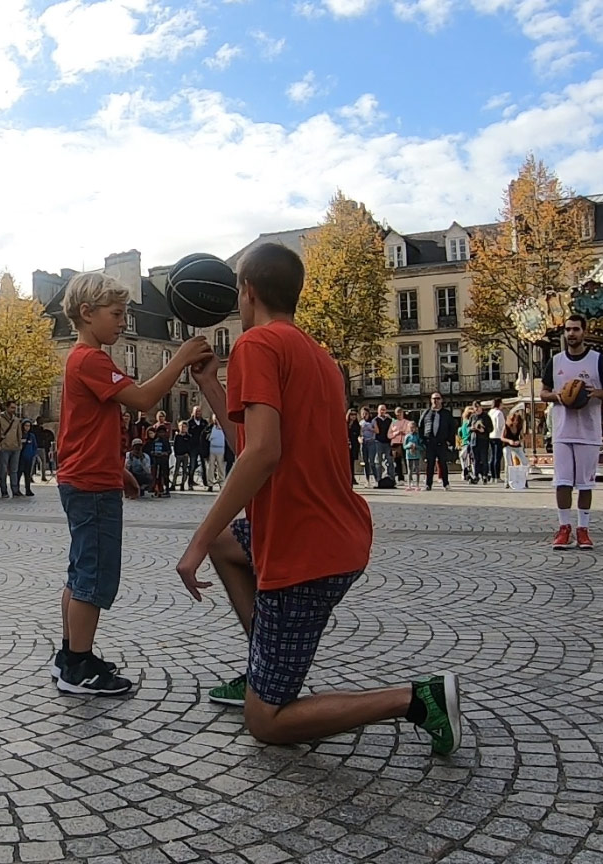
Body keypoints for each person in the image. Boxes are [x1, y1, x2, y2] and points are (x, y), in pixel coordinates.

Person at [176, 243, 460, 753]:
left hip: (303, 548)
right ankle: (261, 668)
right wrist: (211, 387)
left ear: (248, 291)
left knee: (266, 722)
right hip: (330, 532)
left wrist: (193, 542)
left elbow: (260, 453)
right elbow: (257, 444)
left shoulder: (256, 345)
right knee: (227, 543)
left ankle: (418, 699)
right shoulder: (316, 354)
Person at [52, 271, 212, 696]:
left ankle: (71, 654)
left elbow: (86, 428)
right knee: (94, 574)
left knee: (79, 571)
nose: (122, 322)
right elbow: (142, 399)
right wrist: (179, 358)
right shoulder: (91, 359)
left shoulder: (81, 359)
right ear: (87, 314)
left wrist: (118, 469)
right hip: (90, 484)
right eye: (117, 314)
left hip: (87, 475)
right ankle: (79, 668)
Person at [540, 314, 603, 550]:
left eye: (575, 330)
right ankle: (564, 528)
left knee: (585, 484)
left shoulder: (598, 361)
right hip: (563, 431)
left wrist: (594, 393)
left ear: (584, 332)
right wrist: (559, 396)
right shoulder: (556, 361)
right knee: (562, 482)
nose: (571, 334)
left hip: (588, 431)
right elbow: (543, 392)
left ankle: (583, 529)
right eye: (567, 330)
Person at [419, 393, 455, 490]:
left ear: (441, 400)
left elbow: (452, 428)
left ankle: (446, 484)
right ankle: (428, 484)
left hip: (442, 442)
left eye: (438, 398)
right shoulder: (426, 413)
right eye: (434, 398)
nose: (436, 400)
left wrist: (449, 441)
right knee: (430, 464)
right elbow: (420, 426)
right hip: (429, 442)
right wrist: (422, 440)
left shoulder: (446, 414)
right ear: (431, 400)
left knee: (443, 463)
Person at [0, 401, 24, 499]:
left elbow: (19, 433)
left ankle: (15, 490)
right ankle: (4, 490)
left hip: (15, 448)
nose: (13, 410)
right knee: (3, 470)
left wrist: (20, 445)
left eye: (15, 408)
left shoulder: (16, 420)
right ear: (6, 408)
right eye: (12, 407)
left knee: (14, 470)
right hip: (4, 448)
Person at [500, 410, 529, 488]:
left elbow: (523, 438)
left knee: (524, 462)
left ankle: (524, 480)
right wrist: (509, 441)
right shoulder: (506, 426)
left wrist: (519, 441)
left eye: (517, 420)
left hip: (516, 445)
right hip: (507, 445)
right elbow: (502, 437)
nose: (516, 422)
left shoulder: (519, 427)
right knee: (508, 463)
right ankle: (507, 481)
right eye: (514, 420)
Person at [187, 406, 210, 490]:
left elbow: (207, 434)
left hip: (202, 447)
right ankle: (190, 482)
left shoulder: (204, 423)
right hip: (193, 447)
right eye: (196, 412)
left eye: (199, 411)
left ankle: (205, 482)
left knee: (204, 466)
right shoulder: (189, 423)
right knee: (192, 465)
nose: (198, 413)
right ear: (193, 412)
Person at [470, 402, 493, 485]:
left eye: (478, 407)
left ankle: (485, 475)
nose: (476, 409)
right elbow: (468, 427)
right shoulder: (472, 417)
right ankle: (476, 476)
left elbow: (491, 428)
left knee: (484, 459)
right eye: (475, 407)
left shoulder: (486, 417)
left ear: (481, 407)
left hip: (483, 440)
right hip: (474, 440)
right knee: (475, 460)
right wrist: (472, 428)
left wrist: (484, 430)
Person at [149, 424, 173, 497]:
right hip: (156, 461)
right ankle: (157, 489)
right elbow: (151, 450)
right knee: (157, 476)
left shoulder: (166, 441)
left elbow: (169, 451)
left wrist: (164, 453)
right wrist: (154, 453)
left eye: (163, 432)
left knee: (165, 475)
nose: (161, 434)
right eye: (160, 432)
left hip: (164, 461)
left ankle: (167, 490)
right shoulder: (155, 441)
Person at [372, 404, 394, 482]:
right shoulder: (375, 420)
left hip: (388, 442)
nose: (382, 411)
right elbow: (375, 431)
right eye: (381, 409)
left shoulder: (389, 420)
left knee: (390, 461)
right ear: (378, 410)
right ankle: (378, 479)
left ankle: (391, 478)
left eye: (384, 409)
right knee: (378, 461)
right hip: (378, 442)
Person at [206, 415, 227, 491]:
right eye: (215, 419)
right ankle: (210, 484)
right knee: (210, 468)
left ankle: (221, 483)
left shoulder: (225, 429)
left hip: (221, 450)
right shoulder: (210, 428)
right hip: (212, 450)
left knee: (221, 468)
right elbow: (205, 438)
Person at [389, 407, 409, 483]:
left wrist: (404, 433)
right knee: (398, 462)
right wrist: (395, 433)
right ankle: (400, 478)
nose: (398, 415)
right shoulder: (393, 423)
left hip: (405, 443)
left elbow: (411, 432)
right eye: (397, 414)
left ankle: (409, 477)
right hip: (396, 444)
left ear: (402, 413)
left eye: (400, 414)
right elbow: (389, 435)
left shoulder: (407, 422)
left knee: (407, 461)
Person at [19, 419, 39, 496]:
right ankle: (16, 489)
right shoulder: (20, 435)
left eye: (29, 426)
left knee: (27, 474)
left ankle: (28, 489)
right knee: (19, 473)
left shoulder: (31, 436)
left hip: (29, 458)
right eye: (26, 426)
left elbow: (35, 446)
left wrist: (32, 454)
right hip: (21, 458)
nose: (27, 427)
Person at [488, 398, 506, 482]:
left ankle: (492, 476)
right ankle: (497, 476)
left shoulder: (490, 412)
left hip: (491, 435)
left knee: (492, 456)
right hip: (498, 436)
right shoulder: (499, 413)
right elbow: (501, 426)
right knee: (497, 457)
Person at [171, 420, 192, 490]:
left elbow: (189, 446)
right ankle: (173, 484)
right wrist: (176, 453)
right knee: (176, 470)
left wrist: (188, 453)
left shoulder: (188, 437)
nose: (183, 428)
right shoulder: (177, 436)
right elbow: (175, 445)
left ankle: (182, 484)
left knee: (184, 470)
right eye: (182, 427)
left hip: (185, 455)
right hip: (178, 455)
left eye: (185, 427)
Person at [403, 421, 423, 491]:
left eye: (413, 428)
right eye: (410, 428)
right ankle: (409, 484)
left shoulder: (417, 436)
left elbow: (422, 447)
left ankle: (417, 484)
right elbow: (404, 446)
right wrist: (409, 446)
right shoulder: (407, 436)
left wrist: (416, 446)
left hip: (417, 455)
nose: (412, 429)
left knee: (417, 470)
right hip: (409, 455)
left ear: (415, 428)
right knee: (409, 470)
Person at [359, 407, 376, 484]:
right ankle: (367, 479)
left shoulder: (372, 421)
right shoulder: (361, 423)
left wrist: (370, 429)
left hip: (371, 442)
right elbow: (359, 434)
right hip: (364, 443)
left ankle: (376, 479)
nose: (365, 415)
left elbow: (377, 431)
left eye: (366, 414)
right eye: (363, 414)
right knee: (365, 462)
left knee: (371, 461)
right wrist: (360, 439)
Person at [346, 408, 361, 486]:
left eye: (355, 415)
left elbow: (358, 433)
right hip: (346, 444)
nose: (353, 416)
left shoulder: (357, 424)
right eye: (352, 414)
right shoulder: (345, 423)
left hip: (354, 444)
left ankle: (352, 477)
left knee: (352, 461)